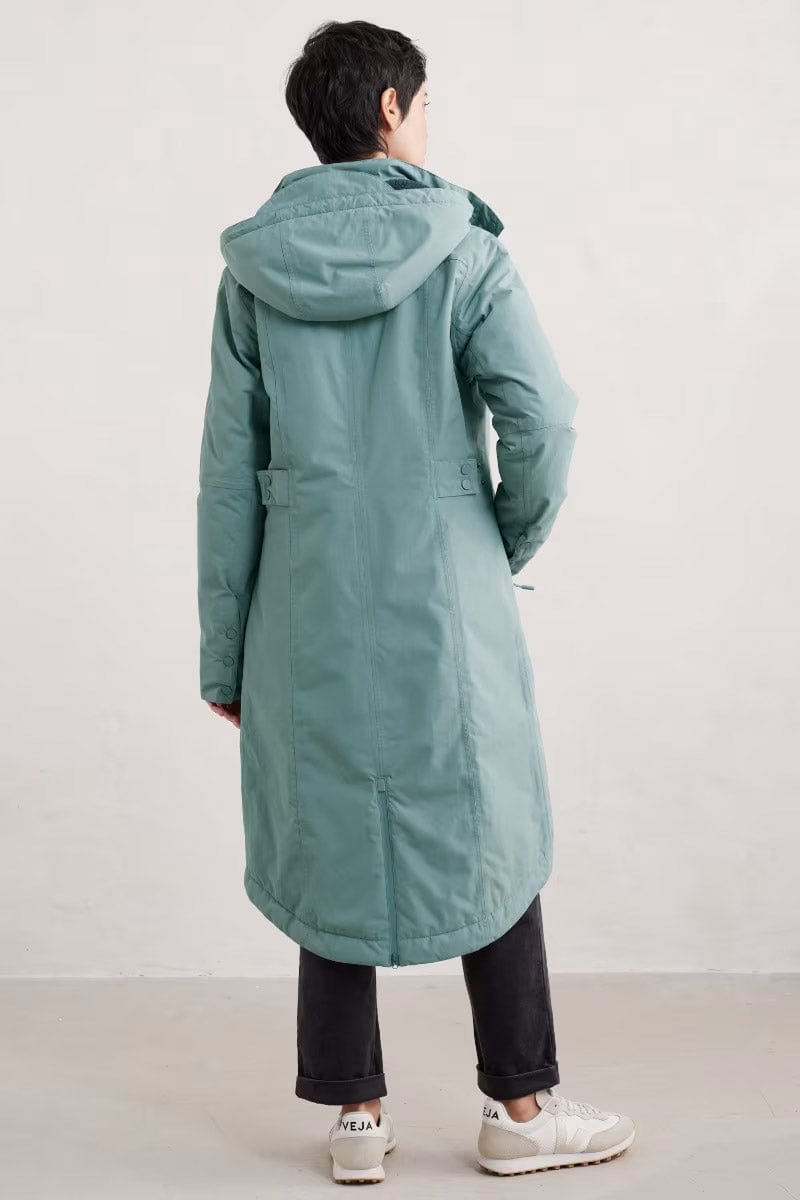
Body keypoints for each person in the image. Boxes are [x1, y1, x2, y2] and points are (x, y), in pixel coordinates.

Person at [196, 17, 635, 1184]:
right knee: (488, 824)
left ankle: (355, 1118)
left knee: (327, 833)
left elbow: (227, 477)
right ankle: (520, 1107)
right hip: (446, 600)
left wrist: (224, 654)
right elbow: (544, 421)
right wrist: (494, 537)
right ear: (389, 110)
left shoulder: (252, 274)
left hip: (302, 607)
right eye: (424, 102)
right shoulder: (465, 248)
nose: (428, 122)